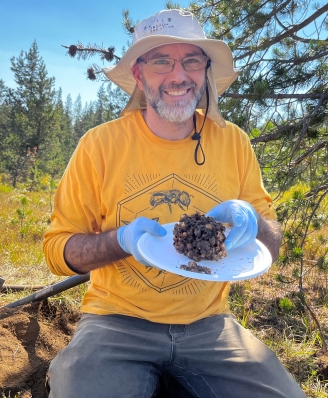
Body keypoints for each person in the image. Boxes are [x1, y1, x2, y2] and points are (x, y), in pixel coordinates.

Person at [43, 9, 306, 398]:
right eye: (162, 61)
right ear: (138, 73)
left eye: (192, 60)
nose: (178, 75)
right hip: (116, 322)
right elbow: (57, 251)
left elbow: (272, 243)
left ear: (205, 70)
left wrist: (254, 221)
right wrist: (122, 241)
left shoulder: (232, 142)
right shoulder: (100, 145)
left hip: (210, 326)